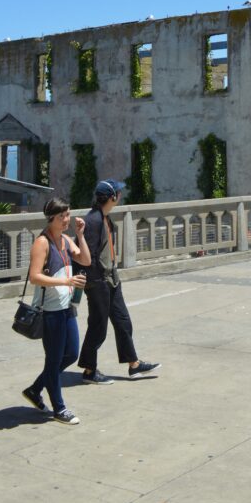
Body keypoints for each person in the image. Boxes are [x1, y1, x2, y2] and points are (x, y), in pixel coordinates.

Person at [77, 180, 161, 382]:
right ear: (112, 197)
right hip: (99, 282)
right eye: (118, 192)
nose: (121, 195)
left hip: (112, 279)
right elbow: (88, 256)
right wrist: (95, 283)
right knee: (98, 326)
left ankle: (134, 364)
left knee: (123, 321)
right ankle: (89, 370)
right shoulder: (93, 220)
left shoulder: (105, 218)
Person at [22, 197, 91, 425]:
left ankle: (35, 389)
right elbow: (34, 277)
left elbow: (86, 260)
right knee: (53, 360)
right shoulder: (42, 242)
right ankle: (59, 408)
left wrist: (80, 235)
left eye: (68, 215)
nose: (66, 220)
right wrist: (66, 281)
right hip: (50, 311)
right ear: (51, 218)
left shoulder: (66, 239)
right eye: (62, 216)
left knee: (71, 354)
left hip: (67, 307)